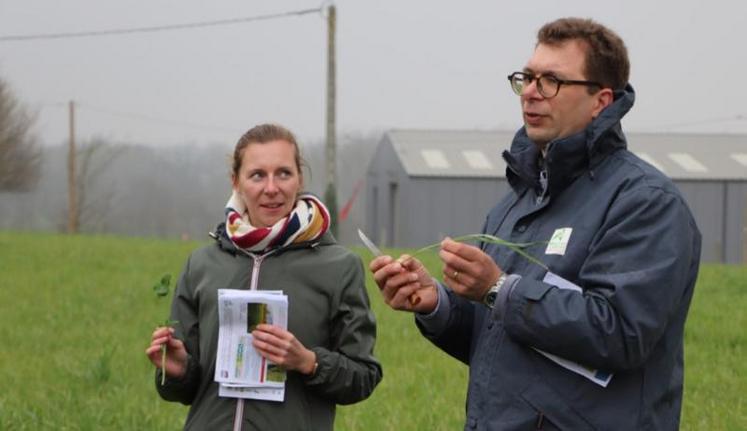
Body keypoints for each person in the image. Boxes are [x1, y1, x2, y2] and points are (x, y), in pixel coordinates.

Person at [371, 17, 701, 430]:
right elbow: (497, 338)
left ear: (601, 100)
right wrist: (435, 303)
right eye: (527, 77)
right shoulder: (516, 203)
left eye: (551, 81)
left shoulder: (644, 202)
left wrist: (498, 288)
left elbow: (620, 333)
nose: (530, 92)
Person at [146, 123, 382, 430]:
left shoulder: (339, 266)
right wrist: (178, 371)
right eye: (257, 175)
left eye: (283, 173)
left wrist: (308, 362)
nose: (272, 188)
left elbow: (363, 375)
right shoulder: (202, 265)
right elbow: (186, 389)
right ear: (236, 182)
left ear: (299, 178)